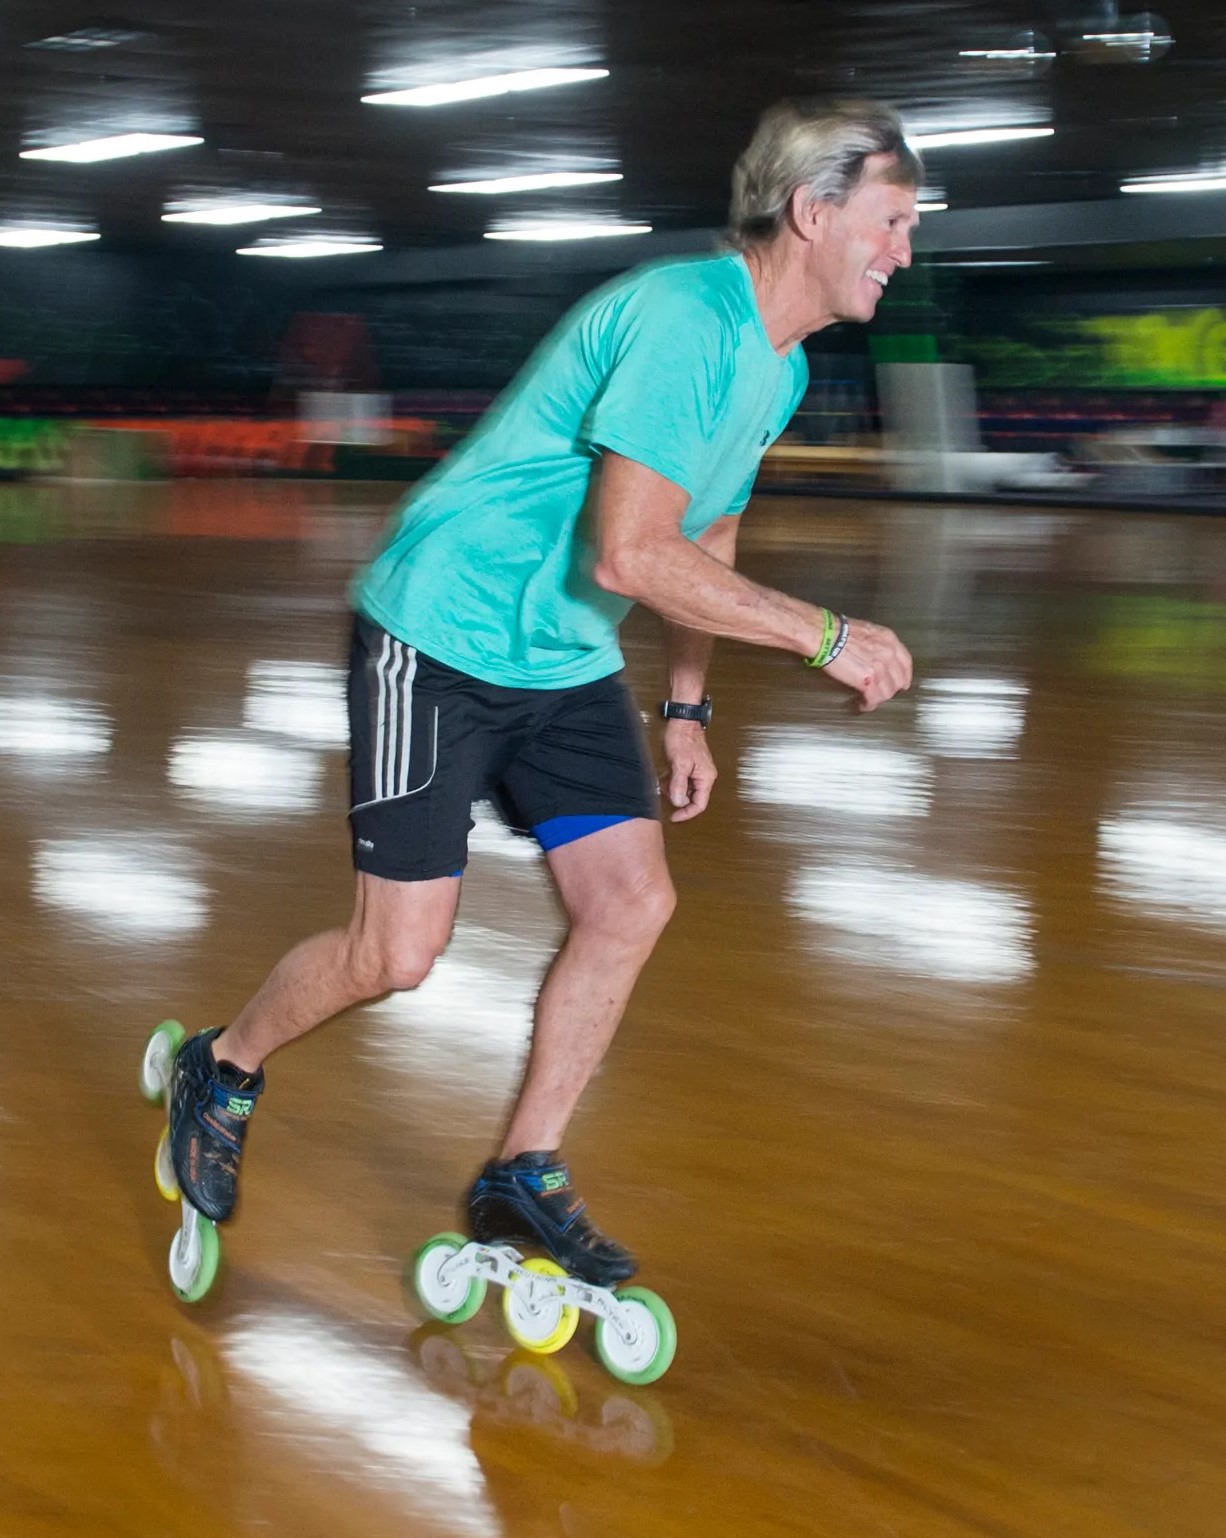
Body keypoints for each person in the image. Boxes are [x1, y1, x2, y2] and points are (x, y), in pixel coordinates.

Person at [166, 97, 920, 1288]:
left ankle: (523, 1169)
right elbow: (629, 553)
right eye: (889, 220)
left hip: (560, 661)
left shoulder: (775, 367)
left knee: (630, 901)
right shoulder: (688, 319)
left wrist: (685, 706)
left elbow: (704, 529)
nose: (902, 250)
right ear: (811, 212)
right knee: (398, 951)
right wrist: (819, 634)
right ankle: (225, 1063)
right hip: (437, 632)